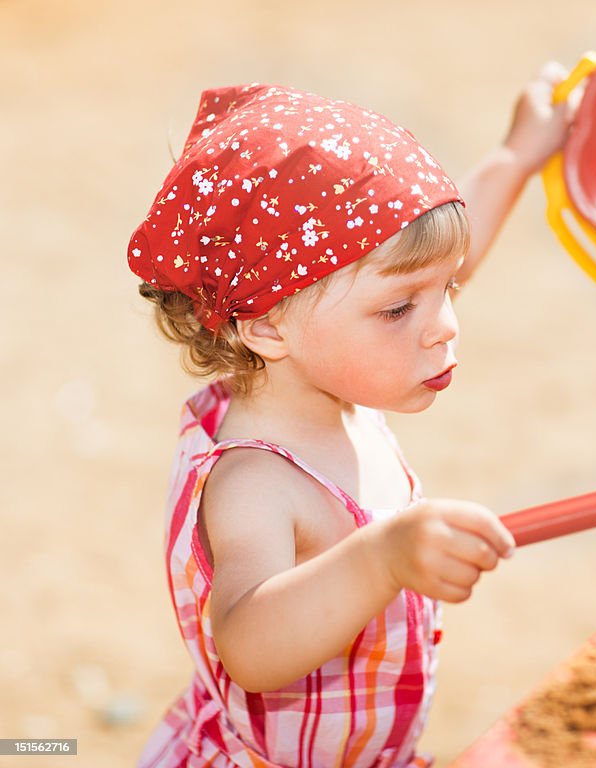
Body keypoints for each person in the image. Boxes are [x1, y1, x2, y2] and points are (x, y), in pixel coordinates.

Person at [130, 68, 572, 767]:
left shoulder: (322, 373)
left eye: (448, 288)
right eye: (400, 310)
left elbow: (427, 264)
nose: (445, 327)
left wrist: (519, 153)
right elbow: (248, 645)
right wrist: (382, 558)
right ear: (268, 327)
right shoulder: (256, 481)